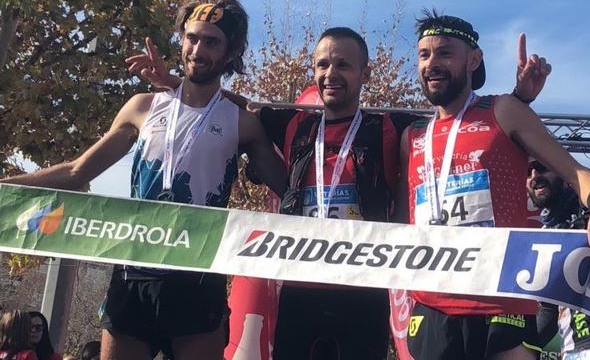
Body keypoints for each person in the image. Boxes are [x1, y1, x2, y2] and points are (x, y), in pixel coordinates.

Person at [134, 21, 551, 359]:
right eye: (322, 65)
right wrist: (178, 81)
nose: (330, 74)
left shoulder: (391, 127)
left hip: (363, 289)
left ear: (365, 73)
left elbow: (458, 127)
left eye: (343, 65)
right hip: (300, 288)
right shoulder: (294, 124)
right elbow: (239, 105)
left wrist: (518, 99)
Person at [1, 0, 285, 360]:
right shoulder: (143, 106)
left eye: (211, 42)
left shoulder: (243, 122)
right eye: (191, 37)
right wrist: (7, 187)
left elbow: (286, 187)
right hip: (133, 273)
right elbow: (77, 172)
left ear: (231, 52)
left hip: (198, 277)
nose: (197, 49)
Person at [396, 9, 590, 360]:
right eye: (424, 55)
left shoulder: (502, 110)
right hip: (432, 302)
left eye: (445, 53)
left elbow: (574, 171)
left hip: (499, 298)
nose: (432, 64)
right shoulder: (412, 136)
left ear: (474, 60)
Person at [527, 159, 590, 360]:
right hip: (577, 348)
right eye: (527, 173)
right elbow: (548, 309)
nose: (535, 176)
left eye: (542, 167)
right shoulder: (545, 234)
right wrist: (523, 347)